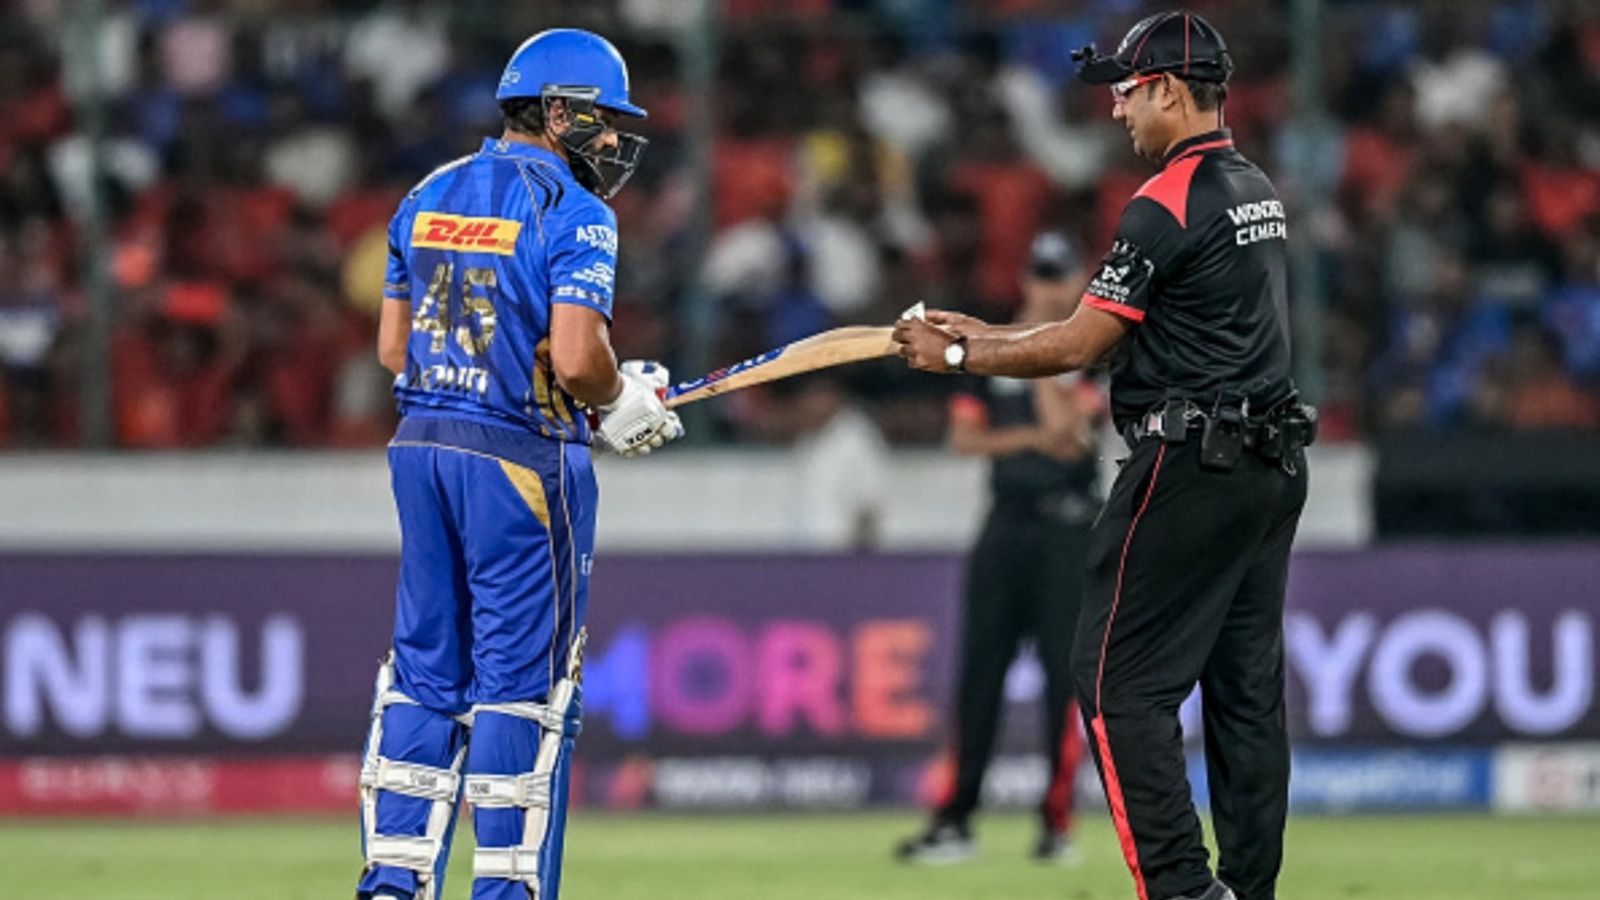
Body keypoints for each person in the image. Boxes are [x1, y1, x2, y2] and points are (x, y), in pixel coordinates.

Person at [893, 13, 1316, 900]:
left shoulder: (1166, 199)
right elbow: (1136, 331)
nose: (1118, 109)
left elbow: (1086, 342)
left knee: (1119, 687)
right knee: (1245, 695)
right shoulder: (1253, 187)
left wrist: (962, 354)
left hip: (1190, 464)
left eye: (1127, 90)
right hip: (1270, 463)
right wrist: (992, 331)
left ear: (1167, 89)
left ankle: (1184, 890)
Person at [355, 29, 684, 900]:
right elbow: (577, 361)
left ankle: (394, 880)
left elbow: (394, 349)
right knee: (522, 689)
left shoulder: (426, 192)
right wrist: (619, 398)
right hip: (520, 458)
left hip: (422, 444)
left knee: (425, 679)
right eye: (602, 120)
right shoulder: (576, 212)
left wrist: (590, 377)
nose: (612, 140)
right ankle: (506, 890)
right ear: (558, 112)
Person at [895, 232, 1103, 865]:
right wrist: (1030, 429)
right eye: (1041, 276)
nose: (1049, 288)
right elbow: (965, 440)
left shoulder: (1090, 352)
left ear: (1077, 282)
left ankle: (1055, 824)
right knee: (979, 675)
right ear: (1026, 279)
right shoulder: (984, 352)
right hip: (1006, 526)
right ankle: (954, 820)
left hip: (1069, 531)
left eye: (1059, 277)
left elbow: (1071, 437)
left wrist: (1039, 351)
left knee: (1064, 681)